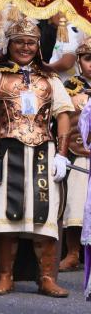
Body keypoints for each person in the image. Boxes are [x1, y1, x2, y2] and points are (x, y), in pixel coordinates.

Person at [0, 16, 73, 297]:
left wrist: (62, 156)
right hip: (7, 150)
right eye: (19, 42)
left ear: (38, 46)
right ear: (10, 45)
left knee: (44, 217)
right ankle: (6, 276)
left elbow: (63, 116)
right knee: (8, 218)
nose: (25, 47)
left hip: (43, 151)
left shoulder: (50, 79)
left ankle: (46, 277)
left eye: (31, 42)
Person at [60, 38, 91, 272]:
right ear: (79, 62)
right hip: (79, 155)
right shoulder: (69, 87)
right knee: (75, 207)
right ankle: (72, 253)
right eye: (88, 59)